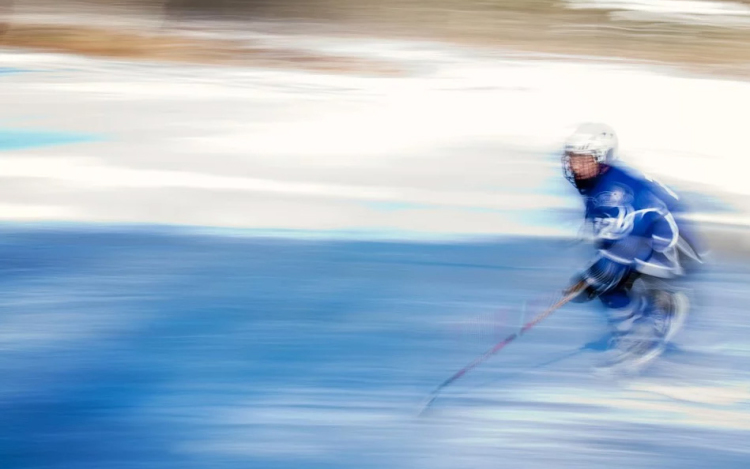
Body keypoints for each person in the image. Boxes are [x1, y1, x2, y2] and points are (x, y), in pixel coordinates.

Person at [561, 123, 704, 366]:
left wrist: (597, 274)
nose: (576, 165)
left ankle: (662, 312)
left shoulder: (614, 191)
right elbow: (614, 238)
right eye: (573, 158)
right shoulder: (600, 182)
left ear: (602, 159)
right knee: (606, 282)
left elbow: (639, 230)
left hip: (673, 245)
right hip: (650, 240)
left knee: (607, 280)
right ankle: (633, 331)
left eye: (583, 159)